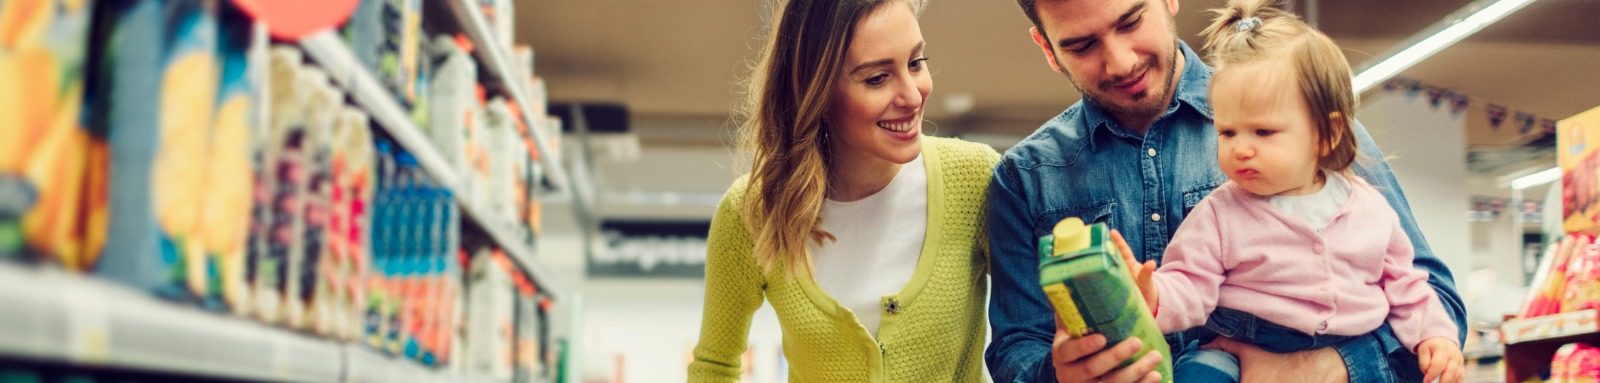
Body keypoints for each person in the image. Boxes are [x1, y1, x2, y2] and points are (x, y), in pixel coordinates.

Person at [984, 0, 1467, 382]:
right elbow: (1016, 350)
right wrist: (1062, 373)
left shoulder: (1301, 114)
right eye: (1082, 45)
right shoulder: (1026, 177)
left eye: (1131, 21)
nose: (1121, 60)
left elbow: (1431, 299)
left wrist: (1311, 371)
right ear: (1047, 48)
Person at [1127, 1, 1463, 382]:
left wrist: (1434, 335)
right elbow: (1190, 281)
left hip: (1346, 351)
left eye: (1264, 131)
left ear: (1326, 134)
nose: (1241, 148)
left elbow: (1407, 284)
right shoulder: (1219, 213)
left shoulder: (1371, 210)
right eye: (1227, 132)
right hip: (1237, 349)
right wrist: (1153, 294)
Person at [687, 0, 1000, 381]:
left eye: (916, 62)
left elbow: (1034, 331)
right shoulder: (753, 212)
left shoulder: (974, 180)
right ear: (817, 91)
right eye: (877, 78)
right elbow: (714, 367)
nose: (913, 96)